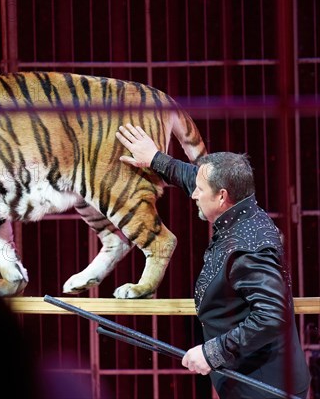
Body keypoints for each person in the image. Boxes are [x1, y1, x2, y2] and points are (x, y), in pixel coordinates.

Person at [116, 123, 311, 399]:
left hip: (266, 389)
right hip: (250, 379)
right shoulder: (242, 207)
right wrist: (155, 159)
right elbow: (193, 178)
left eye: (200, 190)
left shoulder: (248, 248)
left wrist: (213, 352)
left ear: (221, 196)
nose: (193, 194)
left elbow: (271, 316)